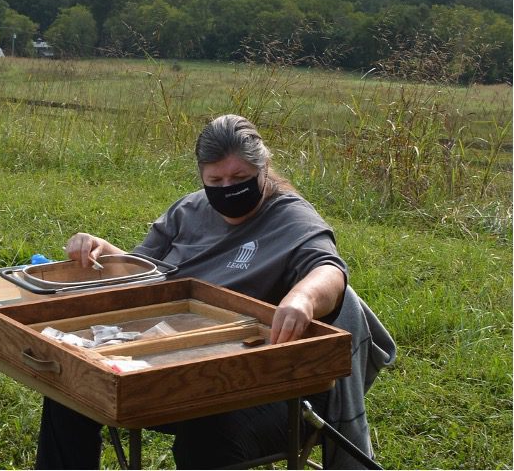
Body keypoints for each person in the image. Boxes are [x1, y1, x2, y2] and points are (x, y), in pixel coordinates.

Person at [36, 114, 394, 468]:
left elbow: (328, 270)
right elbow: (142, 274)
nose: (228, 188)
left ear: (264, 167)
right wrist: (101, 249)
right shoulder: (189, 210)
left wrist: (302, 298)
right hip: (174, 364)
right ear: (202, 177)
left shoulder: (292, 219)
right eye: (216, 180)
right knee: (72, 392)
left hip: (263, 387)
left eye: (240, 177)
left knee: (205, 437)